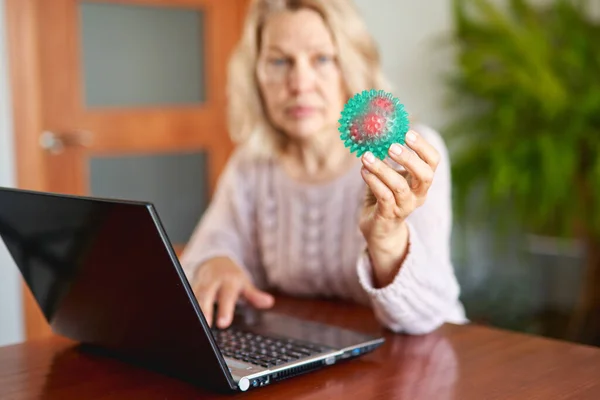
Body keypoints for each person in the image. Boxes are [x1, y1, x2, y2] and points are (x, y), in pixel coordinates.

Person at [180, 0, 467, 334]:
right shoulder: (252, 164)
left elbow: (426, 316)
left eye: (322, 59)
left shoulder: (407, 156)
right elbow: (208, 248)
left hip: (422, 357)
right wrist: (215, 263)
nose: (300, 83)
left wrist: (387, 241)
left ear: (351, 66)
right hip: (310, 351)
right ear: (255, 75)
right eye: (279, 61)